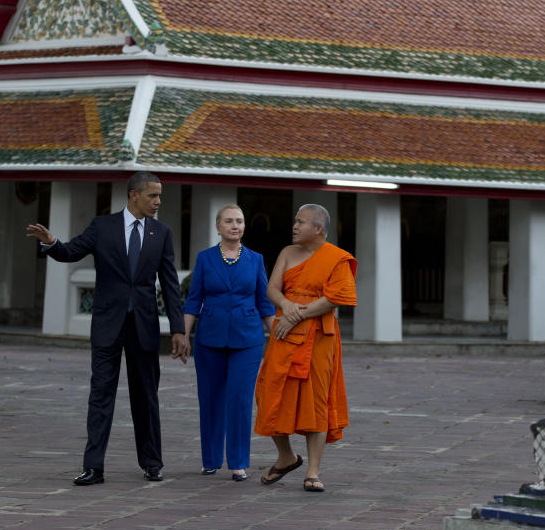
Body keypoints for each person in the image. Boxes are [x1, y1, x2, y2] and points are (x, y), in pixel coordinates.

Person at [26, 172, 190, 486]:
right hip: (107, 326)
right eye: (153, 196)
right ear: (134, 195)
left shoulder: (162, 233)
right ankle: (93, 467)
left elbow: (169, 284)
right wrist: (51, 243)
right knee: (101, 395)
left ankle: (152, 463)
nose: (158, 202)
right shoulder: (102, 227)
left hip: (144, 326)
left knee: (146, 397)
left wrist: (179, 329)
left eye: (160, 197)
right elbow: (71, 251)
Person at [254, 204, 356, 493]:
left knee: (316, 400)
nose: (295, 226)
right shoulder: (287, 253)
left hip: (318, 336)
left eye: (301, 222)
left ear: (318, 228)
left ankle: (313, 470)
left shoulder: (337, 258)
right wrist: (285, 306)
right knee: (269, 392)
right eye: (295, 221)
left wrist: (296, 315)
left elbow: (336, 298)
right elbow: (271, 289)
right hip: (284, 332)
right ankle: (286, 456)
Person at [182, 204, 275, 481]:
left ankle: (237, 461)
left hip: (247, 339)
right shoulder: (205, 259)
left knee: (239, 399)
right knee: (210, 399)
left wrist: (278, 333)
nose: (235, 226)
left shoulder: (256, 259)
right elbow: (193, 299)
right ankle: (210, 459)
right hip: (209, 337)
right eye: (229, 221)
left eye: (240, 221)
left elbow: (264, 301)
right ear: (218, 226)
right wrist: (184, 334)